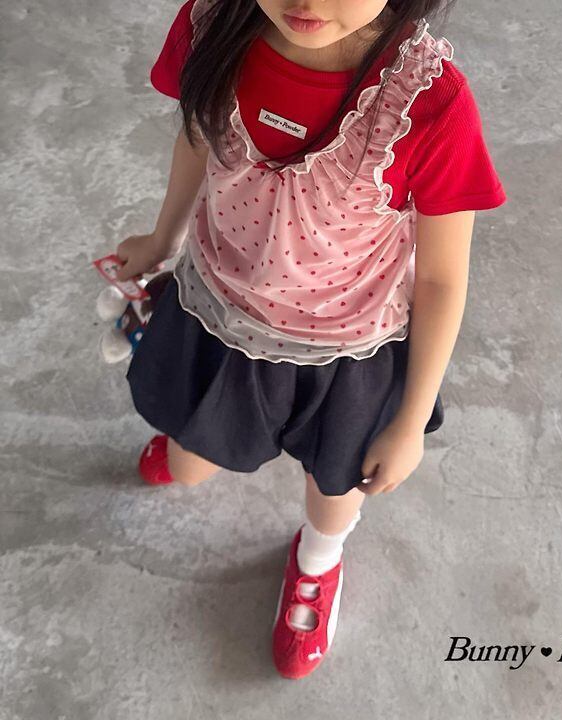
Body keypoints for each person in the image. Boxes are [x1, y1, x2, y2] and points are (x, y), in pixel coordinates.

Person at [116, 0, 506, 679]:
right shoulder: (213, 27)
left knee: (337, 484)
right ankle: (198, 435)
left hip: (348, 351)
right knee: (189, 464)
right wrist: (162, 237)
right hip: (221, 317)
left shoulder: (427, 103)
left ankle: (319, 563)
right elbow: (198, 136)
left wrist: (409, 421)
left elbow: (443, 279)